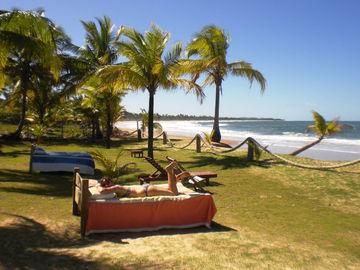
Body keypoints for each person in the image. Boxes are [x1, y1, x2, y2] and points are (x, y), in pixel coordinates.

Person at [97, 161, 190, 197]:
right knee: (170, 190)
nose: (107, 185)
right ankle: (176, 179)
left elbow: (102, 192)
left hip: (145, 191)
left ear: (111, 181)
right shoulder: (116, 187)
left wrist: (98, 185)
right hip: (145, 188)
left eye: (107, 182)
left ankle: (170, 171)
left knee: (173, 193)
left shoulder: (116, 187)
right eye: (105, 184)